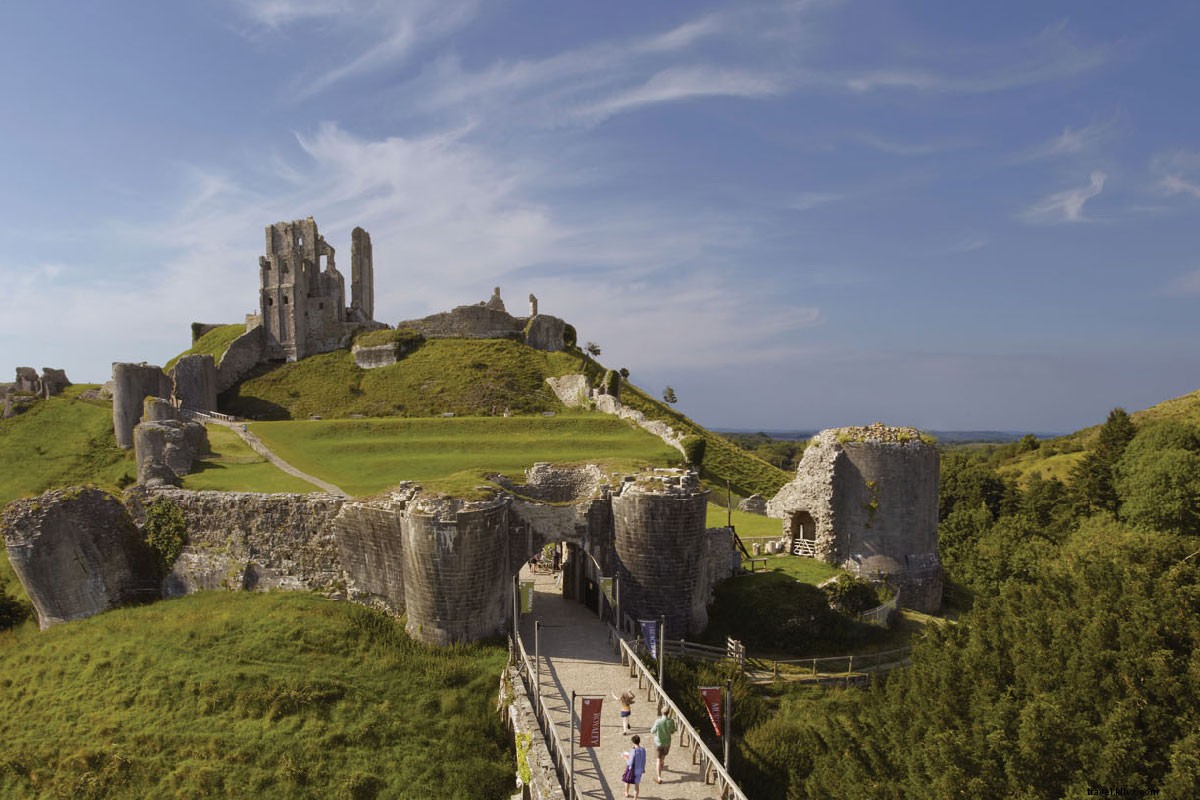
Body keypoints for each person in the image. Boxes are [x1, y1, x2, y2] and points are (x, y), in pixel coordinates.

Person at [649, 707, 677, 783]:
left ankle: (659, 777)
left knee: (658, 759)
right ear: (668, 713)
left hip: (658, 742)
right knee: (663, 756)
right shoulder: (671, 721)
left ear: (661, 712)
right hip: (667, 743)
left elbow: (652, 731)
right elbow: (673, 731)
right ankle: (662, 763)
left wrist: (656, 732)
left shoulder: (658, 721)